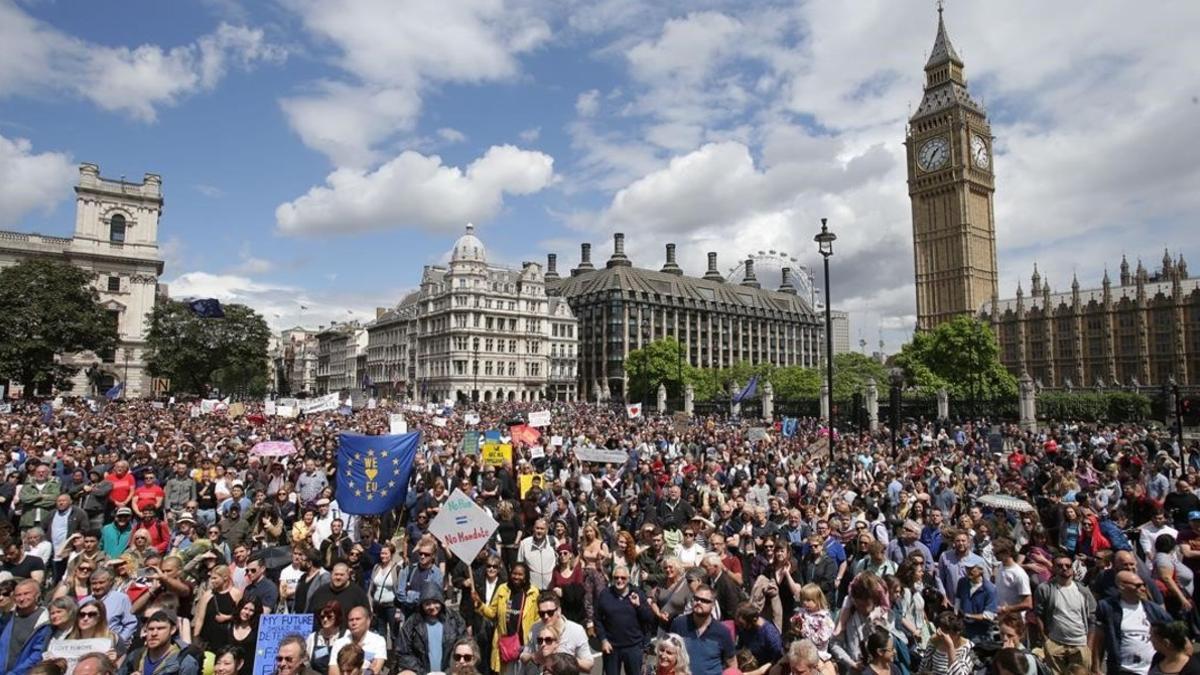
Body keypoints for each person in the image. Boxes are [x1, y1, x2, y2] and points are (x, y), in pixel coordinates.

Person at [1094, 570, 1170, 675]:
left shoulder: (1154, 610)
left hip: (1151, 670)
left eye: (1143, 585)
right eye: (1138, 586)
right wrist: (1096, 666)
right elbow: (1098, 639)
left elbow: (1173, 634)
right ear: (1122, 586)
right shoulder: (1107, 607)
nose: (1143, 589)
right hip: (1123, 669)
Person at [1033, 554, 1096, 674]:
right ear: (1054, 568)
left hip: (1080, 643)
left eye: (1068, 565)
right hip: (1055, 643)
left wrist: (1089, 645)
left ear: (1072, 569)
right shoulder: (1045, 589)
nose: (1064, 568)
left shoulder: (1083, 591)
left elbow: (1092, 618)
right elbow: (1038, 614)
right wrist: (1045, 640)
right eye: (1060, 566)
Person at [475, 561, 539, 675]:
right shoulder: (502, 589)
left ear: (526, 576)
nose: (516, 577)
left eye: (520, 574)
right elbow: (492, 613)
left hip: (525, 646)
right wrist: (480, 605)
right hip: (506, 646)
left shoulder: (533, 592)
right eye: (514, 573)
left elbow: (537, 619)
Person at [395, 582, 468, 675]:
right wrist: (422, 672)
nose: (432, 607)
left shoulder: (455, 619)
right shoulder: (412, 623)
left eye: (435, 602)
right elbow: (403, 652)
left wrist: (450, 671)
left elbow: (464, 645)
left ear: (441, 601)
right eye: (427, 603)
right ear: (421, 604)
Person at [595, 563, 654, 675]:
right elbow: (597, 619)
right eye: (616, 578)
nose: (619, 580)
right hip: (611, 647)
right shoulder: (605, 594)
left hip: (633, 647)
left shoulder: (637, 594)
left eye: (623, 578)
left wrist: (638, 606)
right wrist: (603, 639)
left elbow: (649, 619)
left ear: (629, 579)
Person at [669, 583, 735, 675]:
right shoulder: (679, 624)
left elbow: (732, 664)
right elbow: (668, 654)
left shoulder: (723, 632)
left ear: (713, 604)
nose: (698, 602)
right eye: (696, 599)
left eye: (704, 600)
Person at [523, 593, 592, 673]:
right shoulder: (535, 628)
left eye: (550, 612)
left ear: (559, 610)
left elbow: (588, 666)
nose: (546, 617)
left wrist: (566, 659)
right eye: (542, 614)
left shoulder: (576, 630)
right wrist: (534, 656)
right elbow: (523, 657)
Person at [117, 610, 200, 675]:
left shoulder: (183, 661)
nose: (154, 633)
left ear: (172, 630)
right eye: (150, 629)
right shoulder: (135, 656)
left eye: (160, 628)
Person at [0, 578, 52, 675]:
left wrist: (15, 673)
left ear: (37, 595)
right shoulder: (7, 618)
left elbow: (37, 654)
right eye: (18, 595)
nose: (22, 598)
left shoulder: (44, 621)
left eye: (26, 593)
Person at [84, 568, 138, 646]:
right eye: (94, 583)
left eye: (101, 583)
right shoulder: (84, 602)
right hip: (89, 645)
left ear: (110, 582)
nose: (97, 586)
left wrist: (119, 641)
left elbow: (131, 623)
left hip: (113, 646)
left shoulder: (121, 599)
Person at [195, 563, 242, 650]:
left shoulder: (236, 594)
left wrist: (228, 618)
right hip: (208, 639)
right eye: (211, 578)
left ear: (225, 577)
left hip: (227, 638)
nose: (212, 581)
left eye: (215, 578)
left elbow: (241, 616)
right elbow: (199, 619)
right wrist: (196, 637)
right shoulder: (208, 595)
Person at [329, 605, 388, 675]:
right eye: (351, 620)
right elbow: (333, 671)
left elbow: (375, 670)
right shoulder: (339, 643)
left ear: (368, 621)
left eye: (358, 619)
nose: (354, 623)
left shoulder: (378, 641)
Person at [953, 555, 997, 641]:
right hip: (963, 630)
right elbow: (958, 599)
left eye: (972, 568)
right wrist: (956, 612)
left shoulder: (990, 589)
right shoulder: (962, 582)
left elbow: (989, 615)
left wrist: (968, 615)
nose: (968, 571)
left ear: (981, 570)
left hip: (981, 634)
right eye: (967, 568)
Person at [735, 601, 784, 671]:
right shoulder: (744, 629)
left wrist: (760, 671)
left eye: (742, 625)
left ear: (754, 620)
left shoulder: (770, 635)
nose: (740, 627)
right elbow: (738, 647)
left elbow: (778, 658)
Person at [72, 599, 120, 665]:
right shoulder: (68, 639)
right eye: (82, 614)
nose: (85, 618)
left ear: (100, 617)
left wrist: (113, 662)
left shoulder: (113, 638)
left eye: (91, 614)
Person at [306, 601, 348, 674]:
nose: (325, 620)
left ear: (337, 617)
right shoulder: (312, 638)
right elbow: (306, 661)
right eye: (322, 617)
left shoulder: (346, 636)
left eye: (329, 617)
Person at [518, 519, 558, 591]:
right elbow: (520, 564)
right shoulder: (524, 543)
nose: (539, 531)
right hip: (532, 588)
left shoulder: (554, 541)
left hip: (550, 587)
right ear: (533, 528)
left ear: (546, 530)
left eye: (542, 529)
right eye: (537, 528)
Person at [229, 597, 263, 675]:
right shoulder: (230, 626)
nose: (247, 612)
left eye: (251, 610)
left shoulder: (257, 630)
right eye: (245, 608)